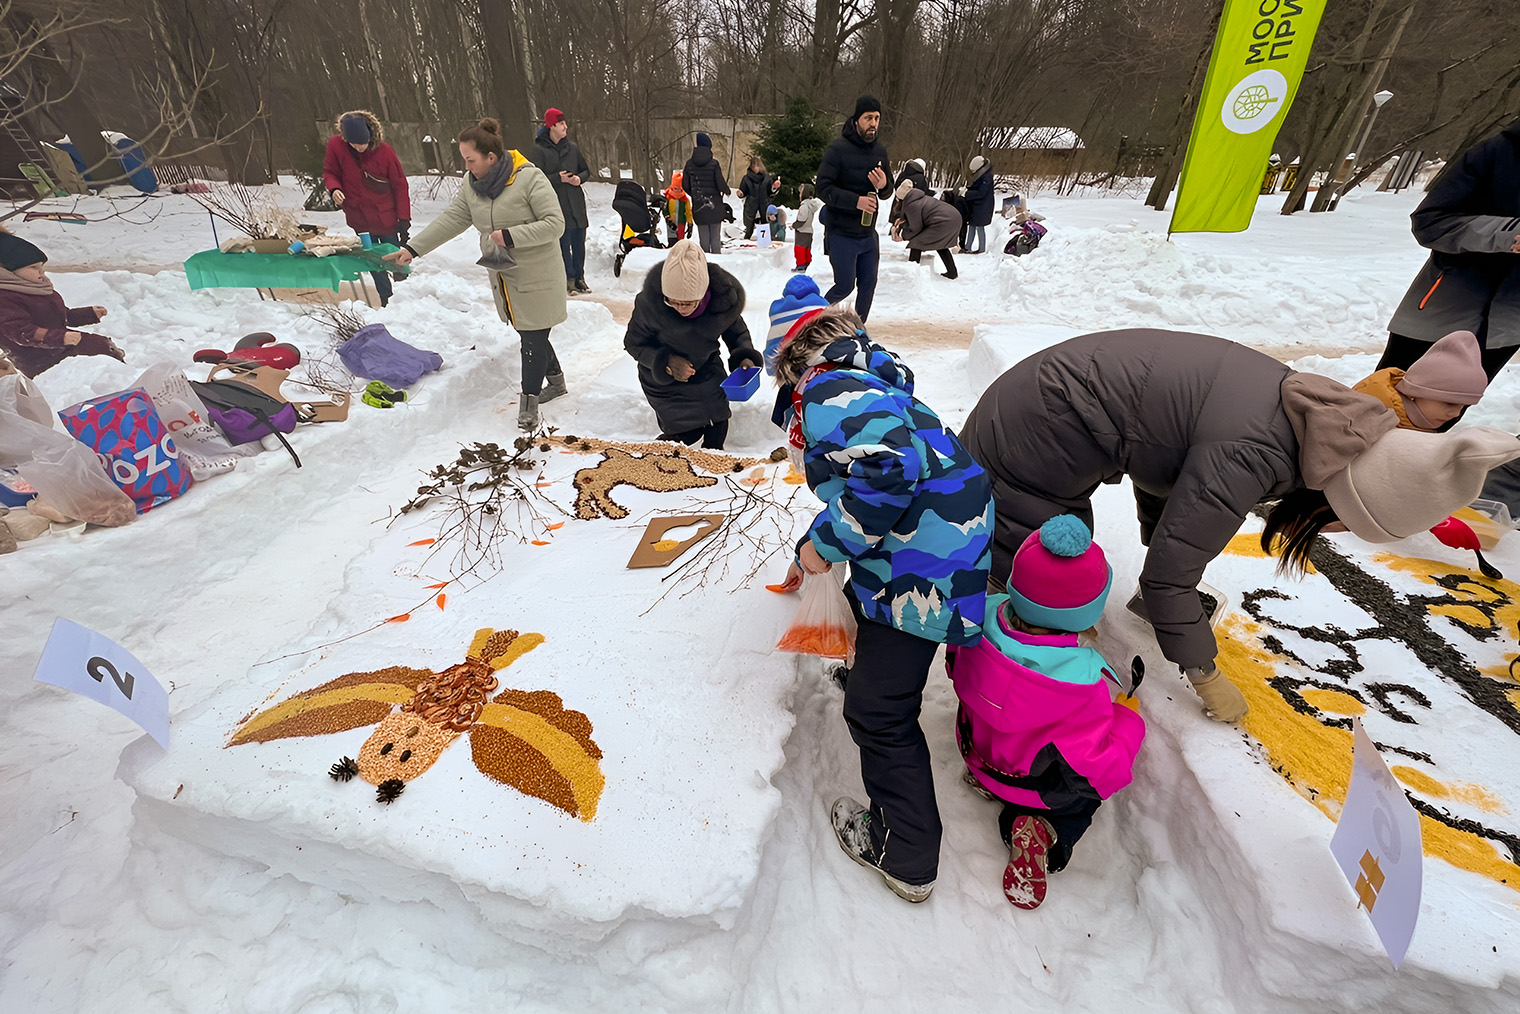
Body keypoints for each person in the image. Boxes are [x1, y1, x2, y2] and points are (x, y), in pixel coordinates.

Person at [958, 328, 1520, 723]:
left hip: (1056, 397)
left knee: (1056, 554)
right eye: (1341, 522)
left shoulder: (1322, 418)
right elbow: (1169, 577)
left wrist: (1165, 548)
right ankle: (1022, 659)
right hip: (1038, 422)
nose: (1331, 534)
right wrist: (1203, 673)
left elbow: (1168, 474)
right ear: (1339, 492)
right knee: (1052, 561)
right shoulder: (1256, 453)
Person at [773, 304, 993, 903]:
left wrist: (823, 547)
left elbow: (888, 472)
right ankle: (869, 675)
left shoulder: (827, 387)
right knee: (866, 610)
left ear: (793, 359)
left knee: (879, 715)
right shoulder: (870, 374)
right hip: (943, 544)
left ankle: (906, 853)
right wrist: (811, 551)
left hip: (924, 562)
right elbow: (874, 476)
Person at [947, 514, 1143, 910]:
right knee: (1083, 800)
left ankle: (985, 782)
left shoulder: (978, 621)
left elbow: (954, 667)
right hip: (1030, 788)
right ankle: (1047, 830)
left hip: (977, 753)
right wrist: (1127, 720)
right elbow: (1096, 768)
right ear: (1084, 615)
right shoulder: (1078, 685)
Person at [384, 118, 566, 431]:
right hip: (504, 275)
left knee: (533, 337)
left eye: (470, 159)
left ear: (491, 158)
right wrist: (413, 250)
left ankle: (529, 402)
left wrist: (510, 236)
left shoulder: (529, 179)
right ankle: (557, 382)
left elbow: (555, 224)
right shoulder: (473, 184)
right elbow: (453, 218)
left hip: (538, 273)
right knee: (528, 329)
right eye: (464, 159)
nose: (466, 166)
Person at [1380, 119, 1520, 381]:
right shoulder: (1498, 152)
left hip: (1508, 328)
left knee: (1446, 415)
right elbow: (1430, 222)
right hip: (1442, 312)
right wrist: (1510, 233)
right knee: (1382, 405)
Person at [623, 240, 761, 449]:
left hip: (706, 368)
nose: (680, 308)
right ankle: (659, 457)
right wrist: (667, 363)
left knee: (718, 424)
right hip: (663, 379)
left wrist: (744, 357)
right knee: (686, 434)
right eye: (673, 301)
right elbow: (634, 343)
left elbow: (737, 333)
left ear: (703, 293)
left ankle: (718, 476)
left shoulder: (722, 300)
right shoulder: (649, 304)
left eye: (687, 303)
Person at [0, 228, 124, 377]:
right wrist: (61, 338)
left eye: (41, 267)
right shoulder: (5, 299)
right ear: (7, 270)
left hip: (58, 345)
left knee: (101, 345)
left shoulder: (35, 288)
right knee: (97, 354)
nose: (41, 272)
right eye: (33, 267)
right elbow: (22, 332)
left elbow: (61, 316)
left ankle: (122, 378)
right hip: (38, 358)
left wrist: (89, 314)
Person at [322, 110, 410, 307]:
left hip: (385, 218)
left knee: (394, 257)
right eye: (354, 144)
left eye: (363, 143)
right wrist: (334, 188)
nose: (359, 148)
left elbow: (400, 184)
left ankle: (404, 299)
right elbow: (330, 172)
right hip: (359, 217)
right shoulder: (336, 146)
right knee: (372, 259)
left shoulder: (385, 151)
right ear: (345, 140)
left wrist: (404, 219)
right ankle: (386, 298)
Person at [817, 96, 893, 321]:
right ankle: (812, 317)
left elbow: (889, 191)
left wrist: (883, 185)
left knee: (869, 285)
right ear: (857, 120)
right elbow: (823, 188)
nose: (873, 123)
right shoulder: (837, 149)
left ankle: (859, 329)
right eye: (868, 118)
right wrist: (856, 201)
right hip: (841, 232)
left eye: (877, 118)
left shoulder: (880, 152)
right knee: (844, 286)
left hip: (868, 233)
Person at [1354, 329, 1488, 430]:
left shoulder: (1416, 421)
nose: (1456, 414)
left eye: (1464, 406)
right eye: (1449, 403)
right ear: (1416, 392)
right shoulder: (1368, 420)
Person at [530, 107, 592, 295]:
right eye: (561, 123)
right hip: (556, 204)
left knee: (579, 242)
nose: (566, 127)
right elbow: (535, 179)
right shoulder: (539, 150)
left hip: (576, 202)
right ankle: (568, 279)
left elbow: (586, 170)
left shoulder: (572, 148)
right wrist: (559, 178)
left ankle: (580, 277)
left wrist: (578, 179)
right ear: (552, 126)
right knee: (563, 243)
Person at [891, 180, 960, 279]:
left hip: (945, 222)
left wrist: (902, 236)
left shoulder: (912, 205)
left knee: (916, 242)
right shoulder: (918, 199)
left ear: (902, 199)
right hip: (953, 218)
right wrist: (903, 220)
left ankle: (912, 272)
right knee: (941, 244)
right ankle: (952, 272)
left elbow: (916, 229)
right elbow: (920, 218)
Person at [764, 273, 828, 374]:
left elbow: (771, 357)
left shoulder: (778, 313)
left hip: (789, 371)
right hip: (821, 368)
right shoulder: (822, 308)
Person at [682, 132, 729, 255]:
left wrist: (695, 194)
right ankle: (716, 262)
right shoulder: (714, 163)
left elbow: (685, 185)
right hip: (714, 204)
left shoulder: (689, 164)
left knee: (704, 238)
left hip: (699, 205)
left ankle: (704, 263)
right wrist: (726, 189)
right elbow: (720, 182)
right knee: (715, 236)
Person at [738, 157, 780, 240]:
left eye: (757, 165)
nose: (755, 168)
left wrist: (774, 188)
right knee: (749, 225)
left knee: (765, 223)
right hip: (751, 204)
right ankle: (747, 238)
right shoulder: (746, 178)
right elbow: (743, 191)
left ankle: (764, 240)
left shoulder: (767, 178)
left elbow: (770, 193)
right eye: (753, 166)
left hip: (764, 204)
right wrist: (740, 193)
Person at [963, 155, 995, 254]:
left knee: (979, 227)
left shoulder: (987, 177)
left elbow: (981, 192)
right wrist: (968, 189)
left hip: (983, 206)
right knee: (972, 225)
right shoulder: (982, 175)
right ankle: (967, 247)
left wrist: (967, 194)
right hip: (977, 205)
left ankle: (982, 248)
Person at [793, 183, 823, 273]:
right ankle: (807, 263)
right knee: (807, 249)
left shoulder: (804, 206)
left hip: (802, 231)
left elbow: (802, 219)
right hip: (809, 231)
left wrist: (794, 225)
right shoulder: (811, 205)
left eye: (800, 193)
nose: (799, 195)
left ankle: (801, 265)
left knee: (799, 249)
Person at [662, 171, 693, 244]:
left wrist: (690, 224)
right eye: (676, 188)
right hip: (671, 222)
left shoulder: (685, 200)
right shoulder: (668, 198)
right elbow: (665, 210)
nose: (678, 191)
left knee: (679, 241)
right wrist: (667, 218)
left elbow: (688, 212)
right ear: (672, 188)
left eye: (680, 189)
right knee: (672, 240)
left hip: (681, 223)